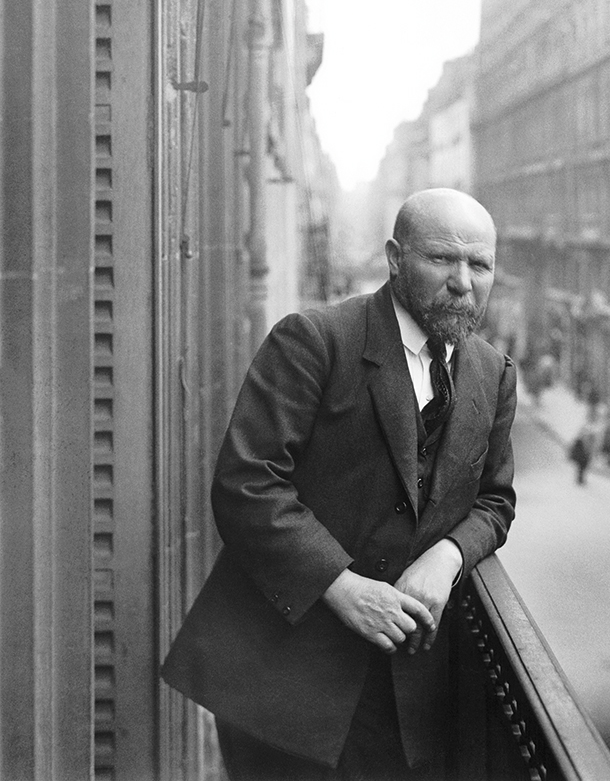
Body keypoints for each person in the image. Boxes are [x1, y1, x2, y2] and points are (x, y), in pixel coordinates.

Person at [161, 188, 517, 781]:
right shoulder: (314, 339)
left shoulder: (492, 372)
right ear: (395, 257)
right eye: (441, 260)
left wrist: (448, 556)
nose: (463, 282)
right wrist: (342, 587)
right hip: (285, 678)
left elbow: (494, 501)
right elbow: (247, 483)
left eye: (479, 265)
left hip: (405, 694)